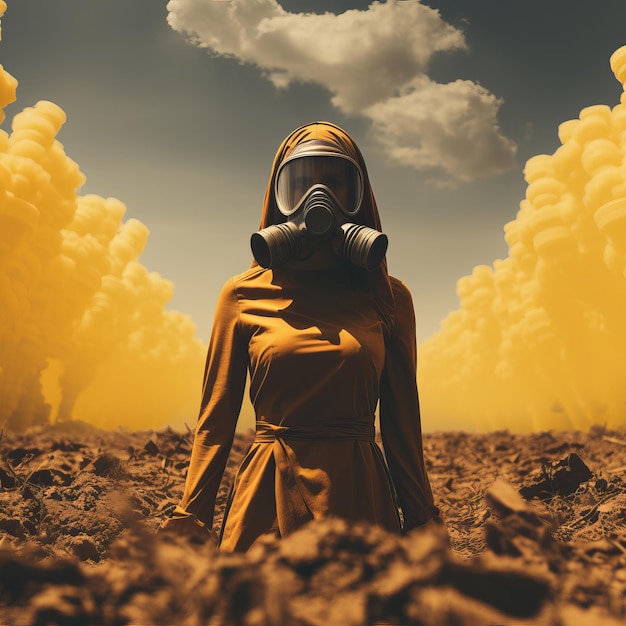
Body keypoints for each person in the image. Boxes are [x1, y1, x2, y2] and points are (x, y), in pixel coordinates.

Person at [161, 121, 443, 551]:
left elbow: (403, 424)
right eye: (301, 185)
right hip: (265, 503)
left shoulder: (388, 297)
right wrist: (190, 516)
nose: (319, 199)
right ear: (278, 198)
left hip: (360, 505)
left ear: (359, 198)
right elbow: (214, 421)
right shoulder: (241, 294)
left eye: (336, 184)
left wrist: (423, 521)